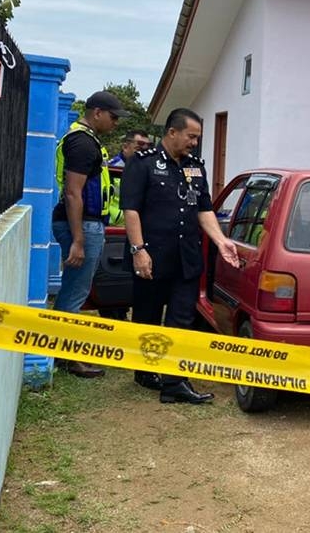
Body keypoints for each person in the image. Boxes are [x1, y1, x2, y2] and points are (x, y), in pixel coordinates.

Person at [121, 107, 239, 403]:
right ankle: (145, 369)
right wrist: (139, 251)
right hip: (152, 256)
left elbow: (204, 209)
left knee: (182, 318)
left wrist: (221, 241)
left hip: (186, 259)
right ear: (172, 132)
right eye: (191, 136)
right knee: (147, 315)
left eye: (198, 138)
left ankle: (174, 383)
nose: (194, 143)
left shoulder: (195, 166)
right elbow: (131, 210)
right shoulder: (143, 164)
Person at [52, 90, 127, 378]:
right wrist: (79, 239)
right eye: (113, 116)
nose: (116, 123)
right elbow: (73, 193)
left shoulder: (83, 139)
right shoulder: (82, 143)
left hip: (83, 223)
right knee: (76, 292)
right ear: (97, 113)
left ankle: (61, 351)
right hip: (81, 224)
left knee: (73, 290)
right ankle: (70, 357)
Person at [106, 130, 151, 226]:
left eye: (147, 150)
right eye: (139, 149)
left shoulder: (147, 169)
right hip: (114, 227)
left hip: (136, 225)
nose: (144, 154)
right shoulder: (113, 167)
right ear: (125, 147)